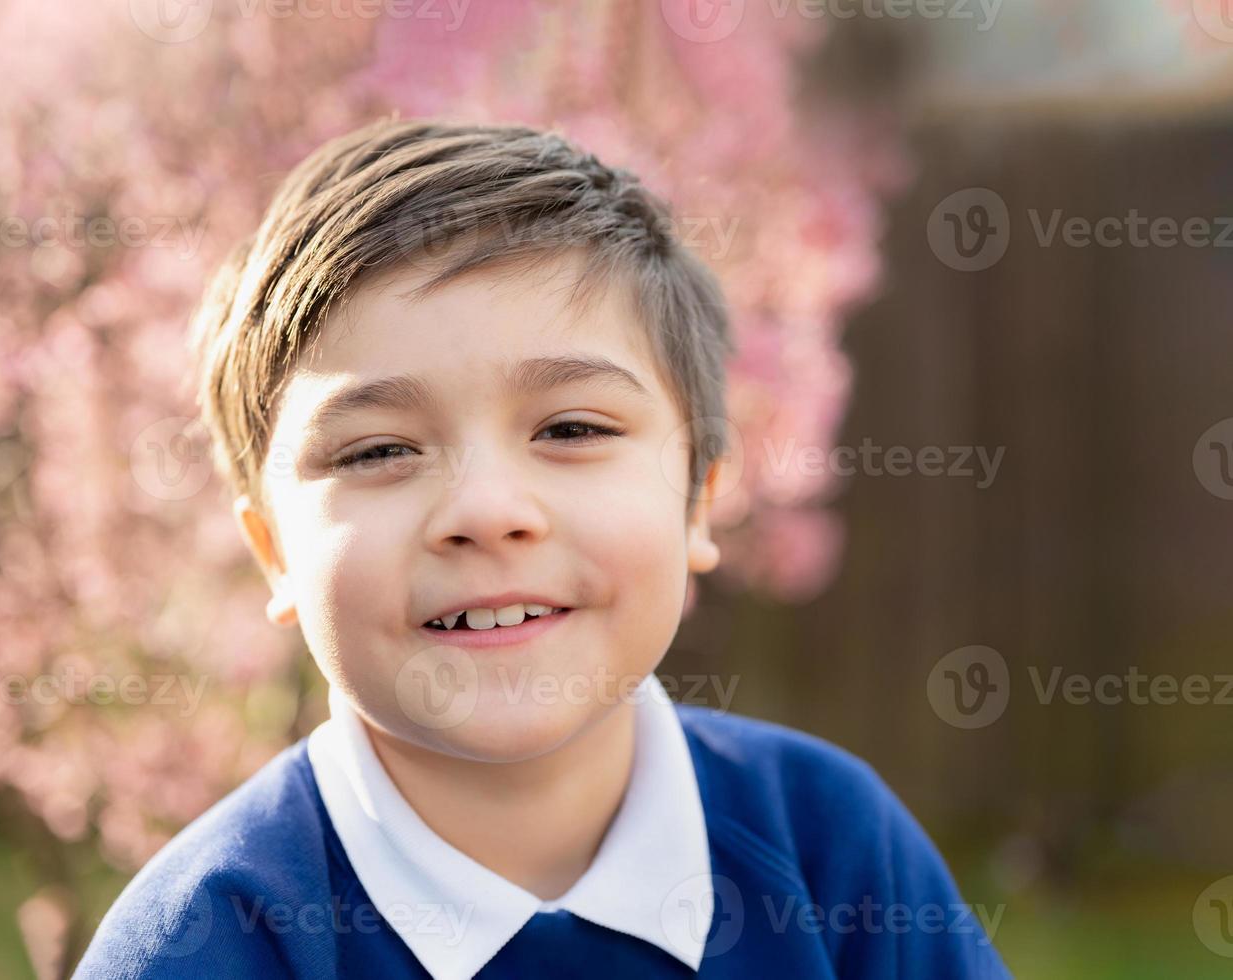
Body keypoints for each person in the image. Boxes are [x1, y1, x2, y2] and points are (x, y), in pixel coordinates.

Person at [74, 117, 1012, 979]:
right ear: (273, 549)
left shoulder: (830, 852)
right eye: (380, 450)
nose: (486, 510)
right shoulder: (206, 939)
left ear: (700, 501)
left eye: (570, 429)